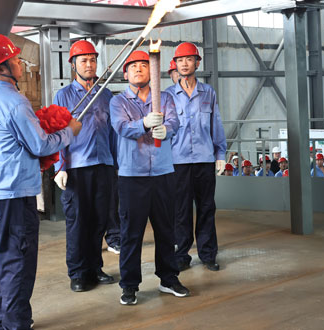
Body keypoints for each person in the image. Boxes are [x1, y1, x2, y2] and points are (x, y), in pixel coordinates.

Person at [0, 33, 81, 329]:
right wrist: (70, 131)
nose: (20, 63)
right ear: (2, 67)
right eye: (15, 59)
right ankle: (16, 322)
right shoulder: (14, 101)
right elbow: (40, 145)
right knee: (17, 262)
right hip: (15, 195)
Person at [110, 50, 189, 306]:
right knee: (131, 233)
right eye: (133, 66)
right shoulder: (118, 102)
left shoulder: (164, 98)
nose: (139, 69)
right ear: (126, 73)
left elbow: (175, 122)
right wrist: (144, 123)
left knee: (166, 230)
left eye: (144, 65)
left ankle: (168, 278)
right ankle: (129, 285)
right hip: (132, 176)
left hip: (163, 172)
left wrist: (167, 129)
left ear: (151, 71)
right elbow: (121, 127)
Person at [53, 40, 116, 292]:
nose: (89, 65)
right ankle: (78, 273)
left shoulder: (106, 95)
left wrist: (116, 165)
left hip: (104, 164)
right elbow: (57, 132)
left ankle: (94, 268)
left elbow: (112, 133)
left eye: (92, 60)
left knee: (100, 220)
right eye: (83, 60)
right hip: (77, 168)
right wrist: (60, 167)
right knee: (78, 221)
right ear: (73, 65)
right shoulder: (64, 96)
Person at [166, 42, 226, 273]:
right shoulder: (167, 95)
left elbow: (216, 123)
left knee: (206, 208)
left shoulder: (208, 92)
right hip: (178, 161)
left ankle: (208, 254)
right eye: (180, 60)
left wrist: (220, 153)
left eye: (189, 59)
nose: (184, 64)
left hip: (204, 160)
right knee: (180, 211)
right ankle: (181, 255)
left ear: (197, 63)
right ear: (175, 64)